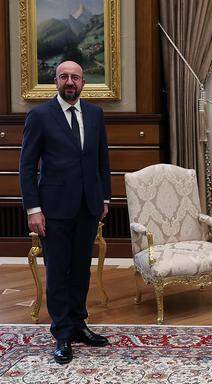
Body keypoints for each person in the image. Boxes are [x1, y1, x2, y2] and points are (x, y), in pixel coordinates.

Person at [19, 61, 112, 364]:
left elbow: (102, 161)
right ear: (55, 81)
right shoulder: (40, 116)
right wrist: (34, 209)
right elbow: (27, 167)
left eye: (75, 77)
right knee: (58, 271)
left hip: (88, 206)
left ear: (83, 82)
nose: (69, 81)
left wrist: (105, 199)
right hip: (54, 209)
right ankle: (61, 333)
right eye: (64, 77)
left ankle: (78, 324)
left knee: (81, 268)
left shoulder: (96, 115)